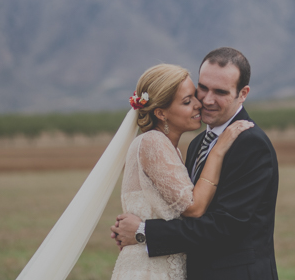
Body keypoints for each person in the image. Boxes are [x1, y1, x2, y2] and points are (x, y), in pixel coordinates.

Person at [111, 47, 280, 280]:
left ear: (243, 93)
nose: (206, 101)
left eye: (220, 92)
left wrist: (143, 232)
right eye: (203, 88)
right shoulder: (198, 142)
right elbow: (184, 212)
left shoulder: (250, 143)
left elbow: (224, 226)